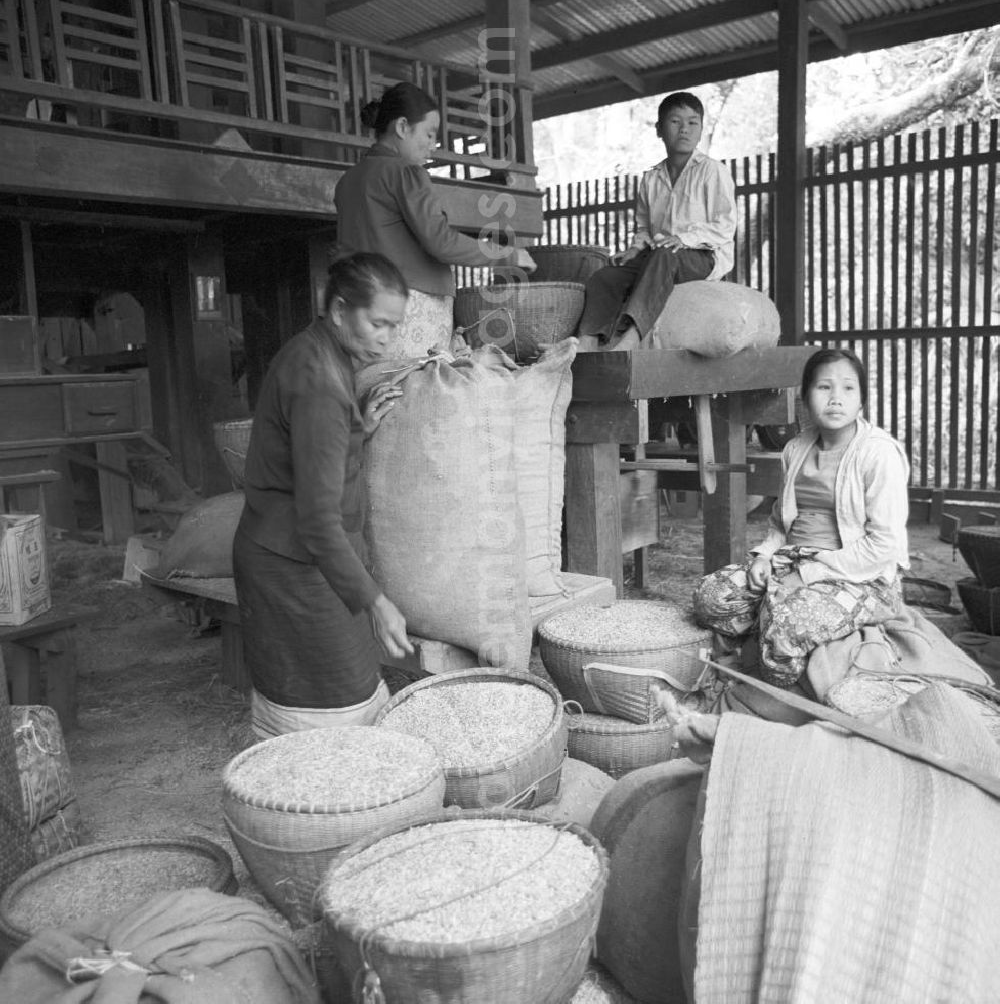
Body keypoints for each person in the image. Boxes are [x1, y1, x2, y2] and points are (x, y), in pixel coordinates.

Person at [233, 252, 414, 738]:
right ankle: (310, 803)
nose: (386, 337)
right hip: (290, 561)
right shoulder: (319, 382)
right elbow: (317, 521)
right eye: (377, 322)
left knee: (346, 683)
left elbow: (312, 454)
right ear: (338, 311)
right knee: (331, 695)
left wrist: (359, 427)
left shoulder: (319, 353)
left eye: (393, 327)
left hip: (302, 555)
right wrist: (376, 602)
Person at [692, 347, 909, 688]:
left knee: (786, 629)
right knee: (711, 597)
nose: (836, 398)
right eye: (824, 388)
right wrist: (764, 555)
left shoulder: (879, 454)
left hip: (860, 574)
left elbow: (884, 544)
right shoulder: (796, 448)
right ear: (806, 397)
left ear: (862, 400)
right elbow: (781, 522)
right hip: (794, 559)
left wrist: (809, 576)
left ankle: (779, 680)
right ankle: (766, 632)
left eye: (848, 389)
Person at [335, 80, 536, 357]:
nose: (433, 146)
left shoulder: (347, 181)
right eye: (429, 135)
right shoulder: (406, 174)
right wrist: (507, 255)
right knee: (415, 393)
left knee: (374, 396)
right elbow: (440, 242)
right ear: (403, 127)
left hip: (359, 311)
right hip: (409, 309)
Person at [576, 91, 737, 352]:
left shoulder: (712, 170)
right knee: (605, 277)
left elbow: (725, 225)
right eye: (675, 122)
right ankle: (589, 340)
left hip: (702, 257)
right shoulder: (651, 179)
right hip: (659, 257)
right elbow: (644, 229)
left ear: (700, 130)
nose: (684, 129)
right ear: (659, 129)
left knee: (664, 254)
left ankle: (631, 338)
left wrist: (684, 239)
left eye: (692, 123)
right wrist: (635, 249)